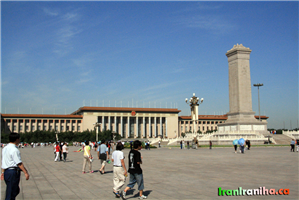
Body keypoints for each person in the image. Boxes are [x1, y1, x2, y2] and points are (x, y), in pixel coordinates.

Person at [1, 132, 30, 200]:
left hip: (7, 172)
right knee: (11, 193)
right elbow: (19, 163)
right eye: (19, 139)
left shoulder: (5, 148)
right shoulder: (14, 150)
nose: (19, 140)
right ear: (16, 139)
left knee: (14, 190)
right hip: (12, 172)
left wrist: (2, 172)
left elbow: (3, 161)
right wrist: (25, 172)